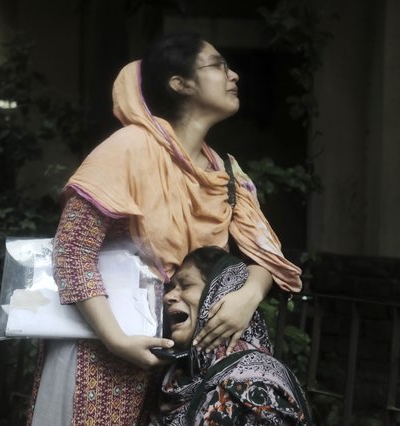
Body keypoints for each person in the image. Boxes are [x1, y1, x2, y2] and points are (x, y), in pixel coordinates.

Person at [28, 32, 303, 425]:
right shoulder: (128, 148)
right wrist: (116, 340)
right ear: (180, 83)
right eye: (218, 65)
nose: (234, 74)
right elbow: (72, 252)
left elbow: (266, 258)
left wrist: (249, 295)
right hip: (102, 352)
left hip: (181, 361)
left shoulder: (226, 172)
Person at [152, 246, 312, 425]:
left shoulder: (256, 386)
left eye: (186, 285)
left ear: (219, 294)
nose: (168, 297)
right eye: (171, 287)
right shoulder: (177, 378)